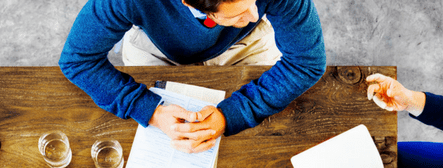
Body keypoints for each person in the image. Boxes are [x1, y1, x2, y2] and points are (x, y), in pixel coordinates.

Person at [58, 0, 326, 153]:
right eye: (241, 8)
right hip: (156, 45)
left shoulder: (251, 11)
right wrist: (149, 110)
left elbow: (307, 62)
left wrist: (231, 115)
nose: (257, 13)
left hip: (243, 42)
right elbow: (77, 60)